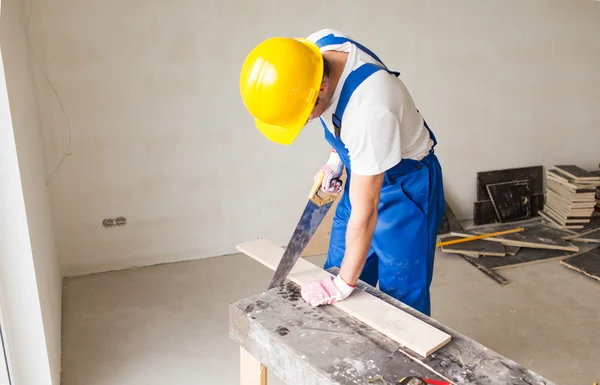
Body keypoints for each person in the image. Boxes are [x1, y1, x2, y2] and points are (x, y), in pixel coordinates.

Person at [239, 29, 445, 316]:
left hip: (405, 189)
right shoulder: (315, 50)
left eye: (304, 114)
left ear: (321, 88)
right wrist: (337, 159)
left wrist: (344, 284)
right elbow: (339, 118)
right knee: (337, 267)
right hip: (364, 172)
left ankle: (401, 359)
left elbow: (367, 210)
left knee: (400, 297)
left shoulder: (370, 111)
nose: (307, 121)